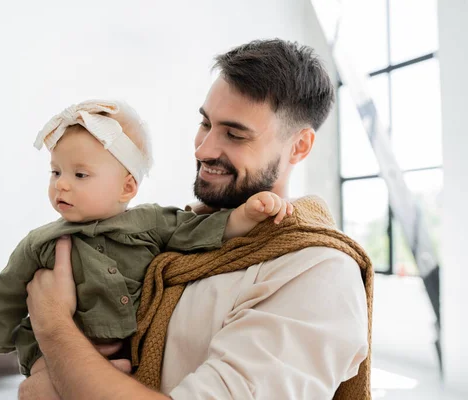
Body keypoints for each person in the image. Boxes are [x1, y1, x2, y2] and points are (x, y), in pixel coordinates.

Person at [19, 39, 371, 399]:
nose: (203, 150)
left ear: (299, 146)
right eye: (205, 123)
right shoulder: (181, 239)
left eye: (234, 134)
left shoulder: (318, 273)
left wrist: (54, 328)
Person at [0, 99, 292, 376]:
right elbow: (8, 290)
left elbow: (199, 230)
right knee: (44, 373)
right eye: (56, 172)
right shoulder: (41, 242)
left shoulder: (149, 221)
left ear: (127, 187)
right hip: (53, 351)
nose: (61, 185)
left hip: (128, 349)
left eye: (80, 174)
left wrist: (246, 216)